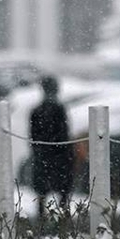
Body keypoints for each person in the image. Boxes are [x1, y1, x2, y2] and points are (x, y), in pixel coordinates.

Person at [29, 75, 74, 218]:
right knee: (63, 189)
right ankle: (62, 218)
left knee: (42, 190)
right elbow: (64, 134)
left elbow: (33, 137)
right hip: (59, 154)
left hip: (43, 154)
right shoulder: (59, 109)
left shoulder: (37, 110)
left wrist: (39, 150)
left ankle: (42, 218)